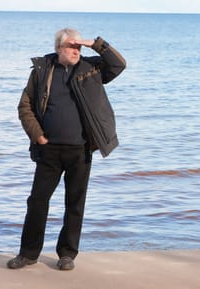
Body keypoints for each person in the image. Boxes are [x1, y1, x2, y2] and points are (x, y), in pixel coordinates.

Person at [7, 28, 126, 271]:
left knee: (74, 204)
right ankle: (29, 254)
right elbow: (25, 105)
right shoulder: (43, 70)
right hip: (49, 151)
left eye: (79, 47)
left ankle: (67, 254)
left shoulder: (91, 69)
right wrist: (38, 136)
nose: (76, 50)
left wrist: (93, 43)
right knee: (37, 202)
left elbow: (119, 64)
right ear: (58, 48)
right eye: (71, 46)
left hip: (80, 150)